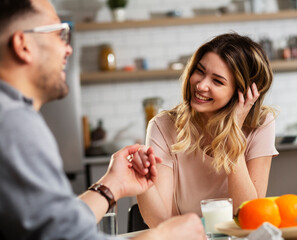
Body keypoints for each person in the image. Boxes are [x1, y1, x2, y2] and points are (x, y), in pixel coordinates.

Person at [0, 0, 206, 239]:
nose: (68, 49)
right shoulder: (13, 122)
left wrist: (113, 184)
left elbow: (58, 223)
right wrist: (164, 237)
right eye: (59, 34)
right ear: (23, 45)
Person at [135, 33, 279, 227]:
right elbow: (160, 221)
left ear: (242, 92)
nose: (201, 85)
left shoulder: (261, 124)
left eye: (217, 81)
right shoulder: (163, 126)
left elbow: (249, 214)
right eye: (200, 71)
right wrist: (140, 178)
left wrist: (232, 134)